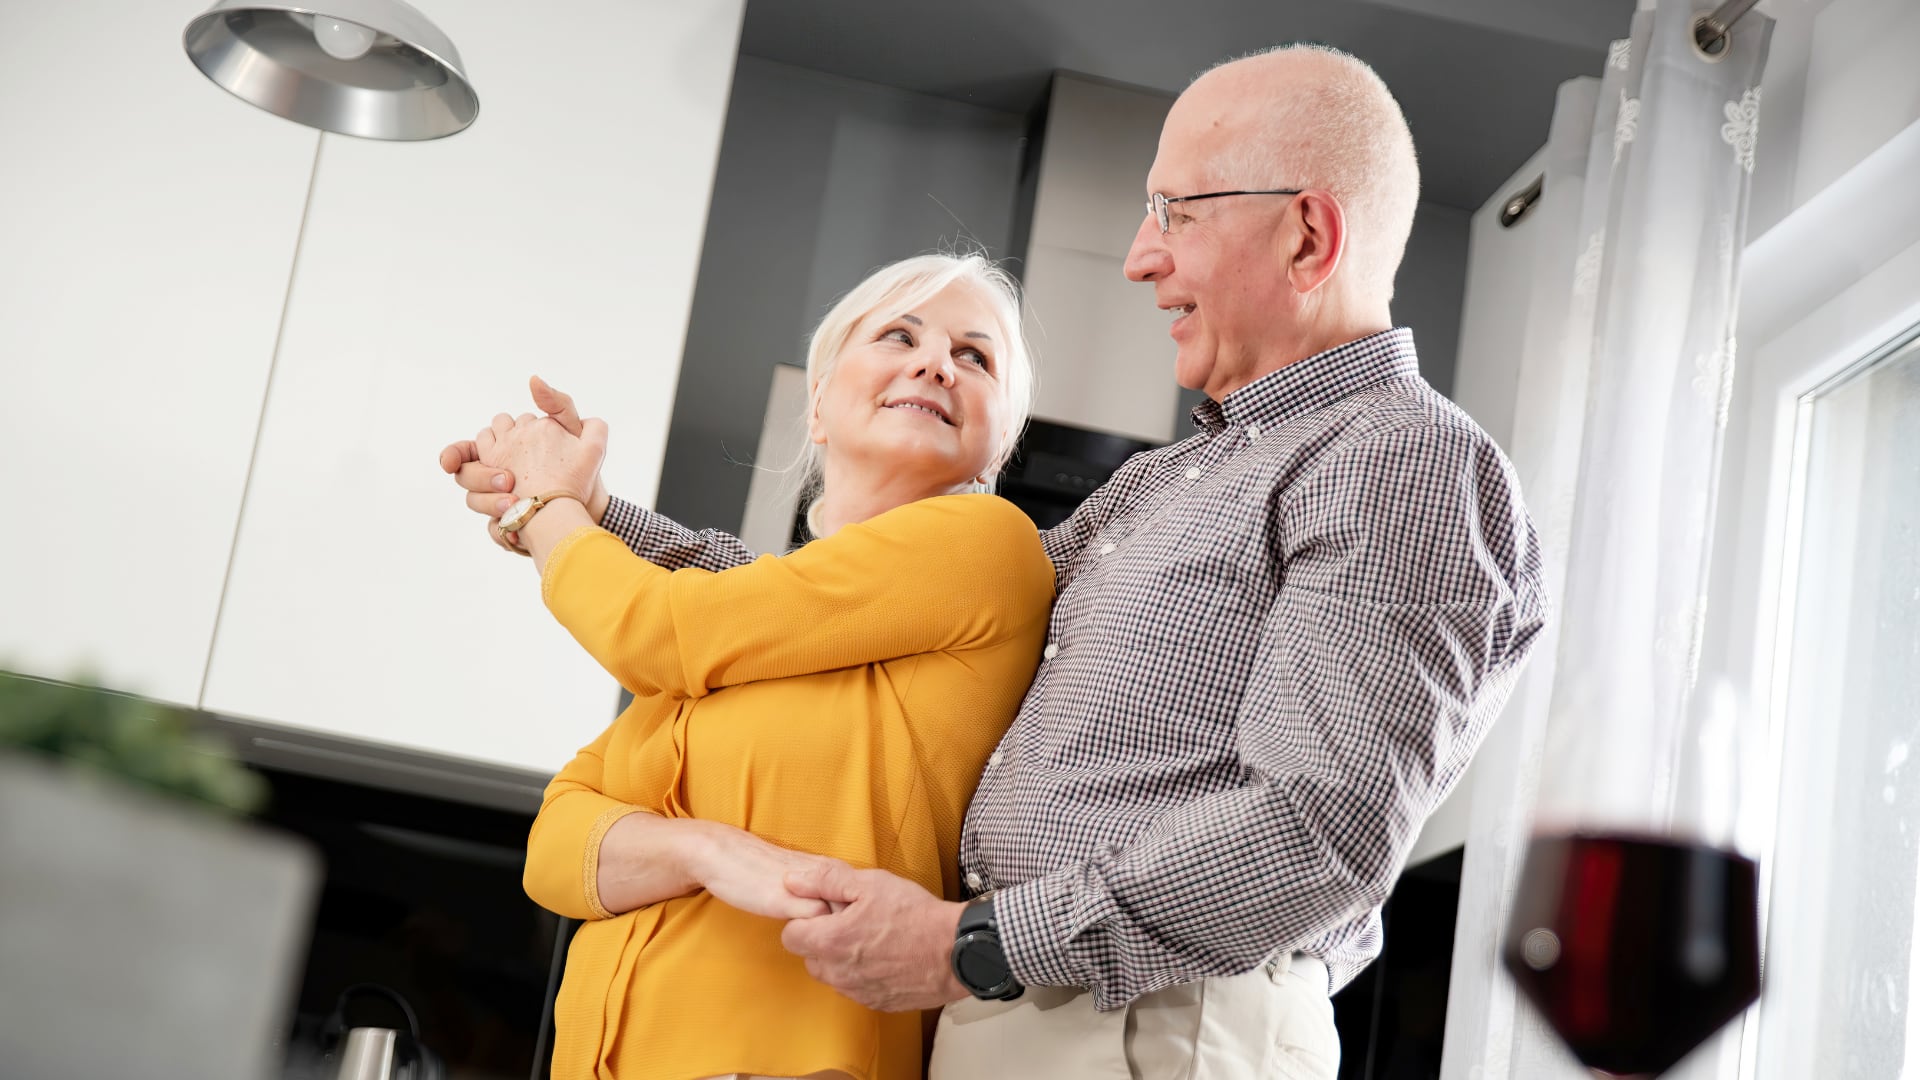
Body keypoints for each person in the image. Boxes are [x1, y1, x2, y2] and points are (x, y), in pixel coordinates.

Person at [449, 44, 1549, 1079]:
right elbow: (796, 605)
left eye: (1173, 212)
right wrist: (595, 509)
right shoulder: (1165, 483)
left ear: (1307, 237)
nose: (1139, 256)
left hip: (1159, 1026)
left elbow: (1318, 830)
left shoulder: (1404, 460)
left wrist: (976, 946)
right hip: (1039, 1011)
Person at [456, 253, 1052, 1080]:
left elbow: (653, 631)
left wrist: (543, 507)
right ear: (816, 405)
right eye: (899, 335)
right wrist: (702, 851)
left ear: (999, 445)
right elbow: (555, 849)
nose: (934, 363)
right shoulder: (749, 627)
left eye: (974, 356)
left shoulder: (987, 548)